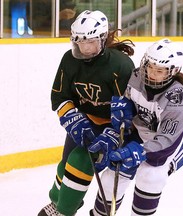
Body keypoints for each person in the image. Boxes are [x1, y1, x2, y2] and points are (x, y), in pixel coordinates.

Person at [38, 10, 135, 216]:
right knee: (66, 164)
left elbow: (129, 108)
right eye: (80, 42)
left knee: (80, 161)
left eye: (90, 42)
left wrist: (113, 134)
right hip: (84, 120)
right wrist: (72, 119)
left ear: (102, 39)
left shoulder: (121, 65)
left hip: (112, 126)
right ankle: (58, 201)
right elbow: (59, 96)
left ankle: (65, 210)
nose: (84, 48)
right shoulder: (69, 60)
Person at [88, 38, 183, 215]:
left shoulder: (177, 100)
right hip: (145, 130)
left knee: (151, 175)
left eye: (160, 70)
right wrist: (124, 108)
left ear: (172, 72)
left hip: (178, 139)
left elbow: (166, 142)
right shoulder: (136, 76)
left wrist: (138, 151)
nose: (151, 73)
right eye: (149, 66)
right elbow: (130, 101)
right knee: (113, 175)